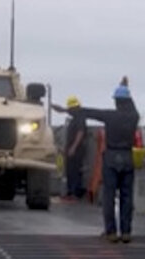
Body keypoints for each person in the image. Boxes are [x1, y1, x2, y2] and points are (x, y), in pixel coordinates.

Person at [52, 77, 139, 243]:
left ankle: (111, 232)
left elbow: (87, 112)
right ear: (128, 101)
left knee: (109, 195)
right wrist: (125, 88)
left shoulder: (109, 116)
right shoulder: (134, 116)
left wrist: (65, 110)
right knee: (127, 197)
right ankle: (126, 232)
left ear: (116, 102)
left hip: (112, 157)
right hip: (127, 157)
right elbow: (130, 105)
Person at [63, 96, 87, 200]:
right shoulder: (75, 118)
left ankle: (74, 192)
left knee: (75, 170)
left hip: (77, 149)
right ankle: (70, 192)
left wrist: (73, 147)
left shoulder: (80, 118)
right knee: (69, 170)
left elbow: (80, 132)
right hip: (71, 147)